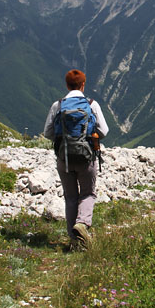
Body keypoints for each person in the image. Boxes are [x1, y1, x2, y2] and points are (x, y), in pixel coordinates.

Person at [43, 69, 109, 250]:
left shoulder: (58, 105)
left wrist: (64, 139)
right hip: (86, 157)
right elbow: (104, 131)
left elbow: (47, 132)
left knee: (71, 197)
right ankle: (82, 223)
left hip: (63, 158)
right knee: (88, 193)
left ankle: (74, 240)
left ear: (66, 85)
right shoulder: (91, 104)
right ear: (83, 84)